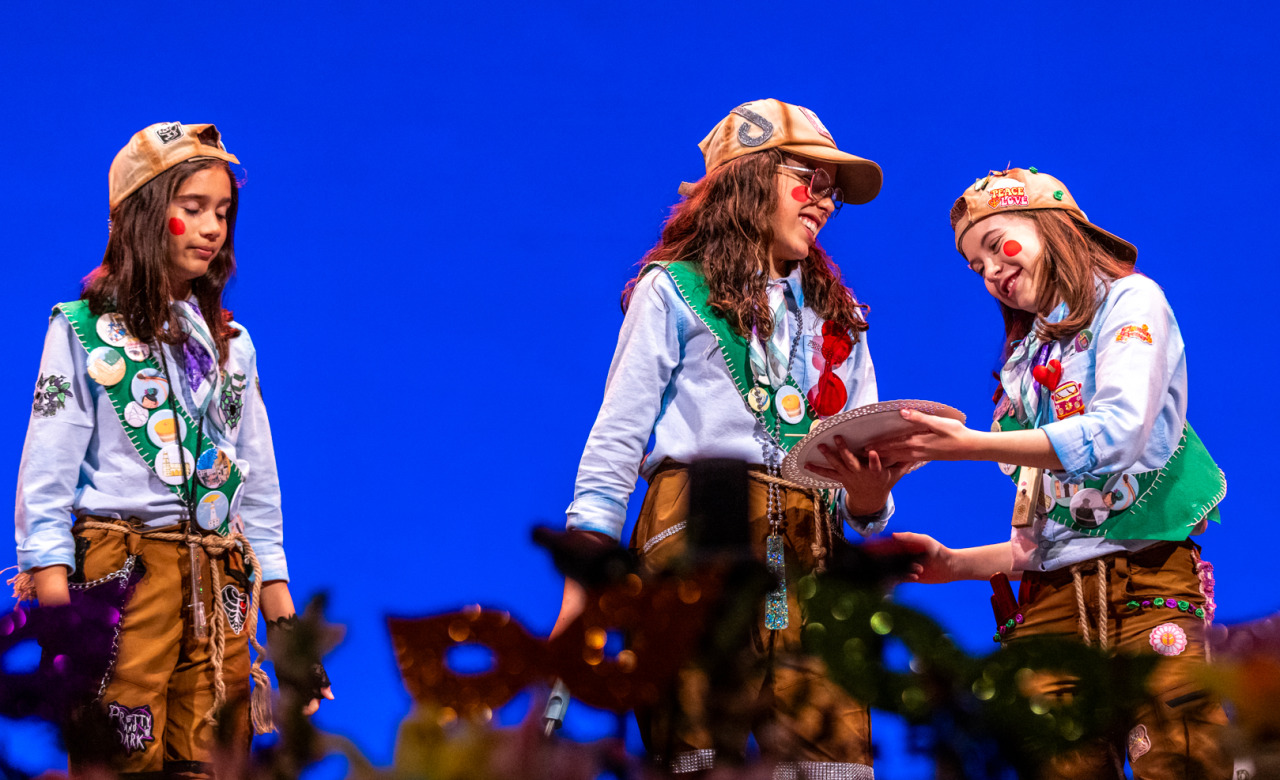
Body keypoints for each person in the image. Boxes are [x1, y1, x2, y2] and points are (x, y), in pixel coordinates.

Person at [551, 99, 911, 776]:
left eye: (834, 191)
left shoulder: (842, 321)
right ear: (750, 180)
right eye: (811, 180)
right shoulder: (673, 292)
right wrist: (583, 577)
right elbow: (616, 440)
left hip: (813, 547)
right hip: (696, 529)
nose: (827, 202)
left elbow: (865, 478)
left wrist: (868, 504)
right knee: (698, 745)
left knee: (833, 755)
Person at [874, 167, 1230, 779]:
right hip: (1050, 610)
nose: (989, 272)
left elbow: (1120, 432)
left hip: (1147, 591)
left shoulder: (1131, 301)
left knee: (1182, 760)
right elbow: (1048, 539)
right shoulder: (1024, 366)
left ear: (1053, 228)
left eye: (996, 246)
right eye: (975, 267)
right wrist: (953, 563)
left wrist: (970, 446)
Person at [13, 122, 331, 777]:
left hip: (220, 582)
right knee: (118, 757)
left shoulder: (231, 345)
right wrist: (57, 620)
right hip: (118, 574)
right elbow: (45, 481)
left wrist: (286, 623)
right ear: (144, 217)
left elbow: (258, 492)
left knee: (218, 757)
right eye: (193, 210)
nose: (213, 228)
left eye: (222, 212)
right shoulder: (82, 333)